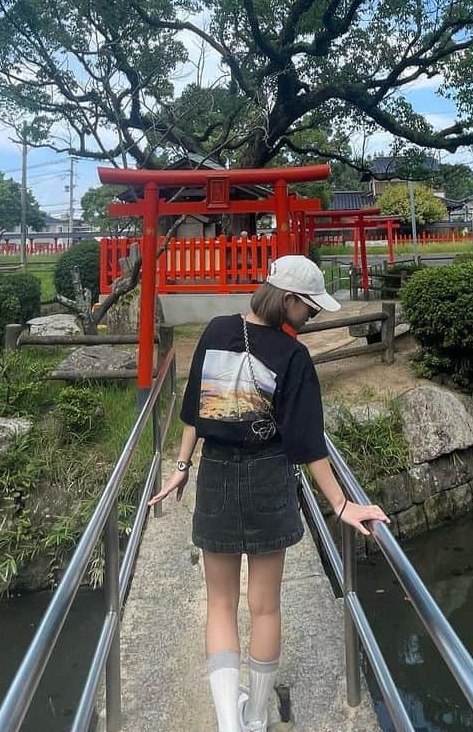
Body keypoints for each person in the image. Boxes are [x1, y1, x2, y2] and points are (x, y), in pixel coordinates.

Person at [148, 254, 389, 732]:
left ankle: (228, 724)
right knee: (265, 605)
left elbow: (195, 410)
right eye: (310, 309)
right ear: (289, 300)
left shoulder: (216, 331)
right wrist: (339, 503)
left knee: (220, 603)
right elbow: (306, 441)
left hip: (214, 474)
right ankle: (256, 717)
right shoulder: (292, 356)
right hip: (268, 477)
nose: (312, 317)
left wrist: (180, 468)